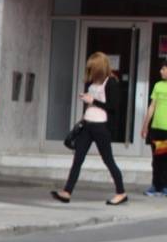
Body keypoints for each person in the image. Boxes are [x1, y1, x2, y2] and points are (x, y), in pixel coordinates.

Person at [51, 52, 127, 205]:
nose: (90, 71)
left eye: (92, 68)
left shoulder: (110, 82)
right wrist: (87, 99)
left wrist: (93, 100)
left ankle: (121, 192)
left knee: (108, 160)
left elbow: (113, 107)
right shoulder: (92, 82)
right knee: (78, 159)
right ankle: (67, 191)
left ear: (99, 67)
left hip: (101, 126)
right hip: (87, 124)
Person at [140, 61, 167, 196]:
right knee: (157, 158)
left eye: (164, 69)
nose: (161, 71)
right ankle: (156, 185)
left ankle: (164, 186)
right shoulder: (158, 85)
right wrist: (145, 125)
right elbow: (152, 106)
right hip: (157, 129)